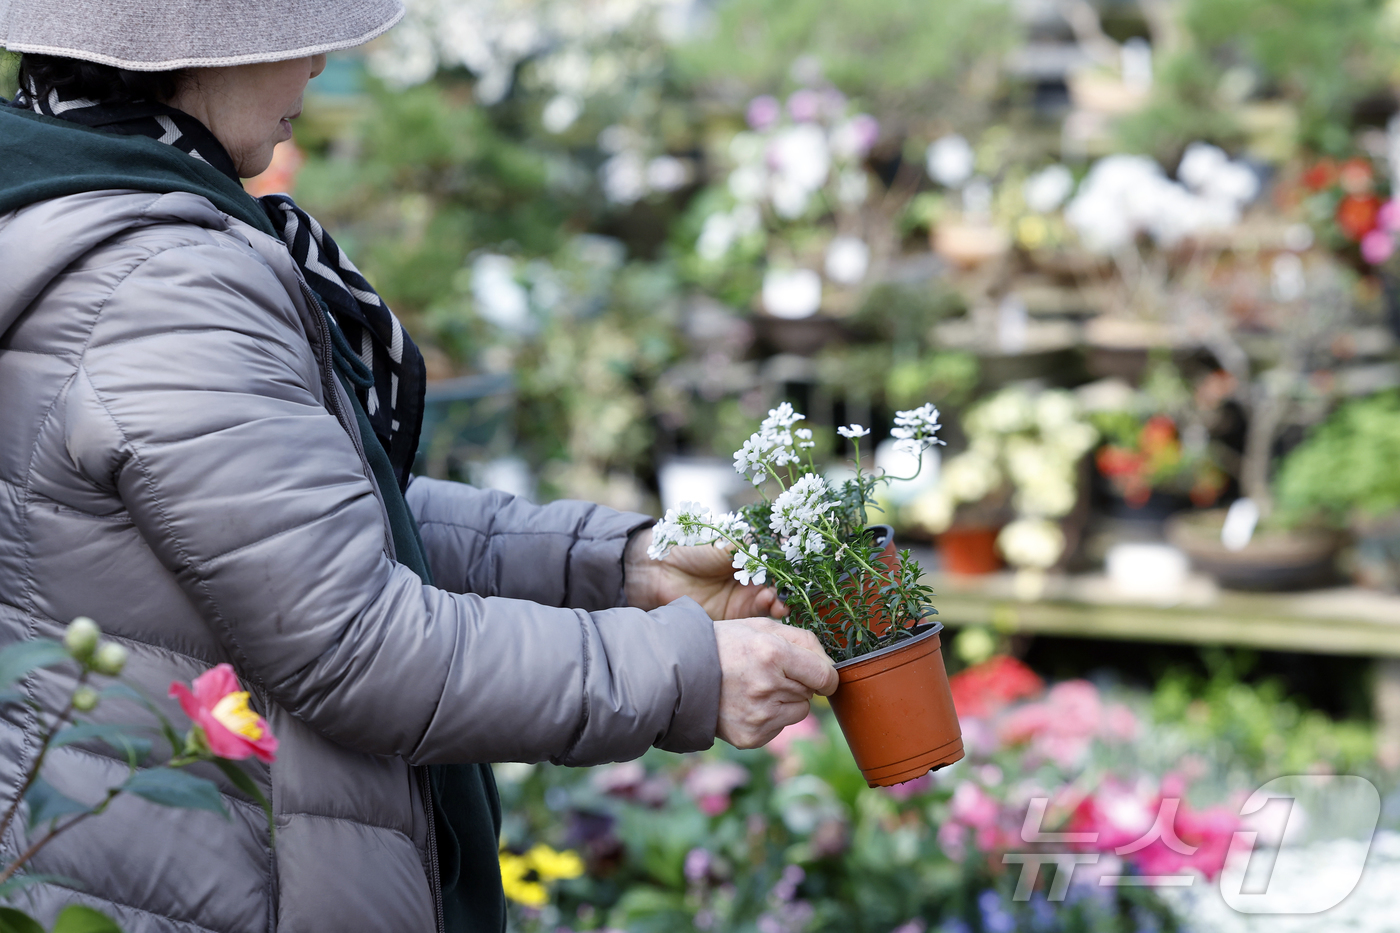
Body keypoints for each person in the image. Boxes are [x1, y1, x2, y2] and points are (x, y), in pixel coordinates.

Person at [0, 3, 839, 931]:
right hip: (210, 890)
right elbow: (358, 641)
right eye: (291, 31)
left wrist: (620, 565)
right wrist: (688, 672)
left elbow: (312, 527)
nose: (318, 61)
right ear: (194, 53)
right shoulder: (161, 284)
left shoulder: (80, 201)